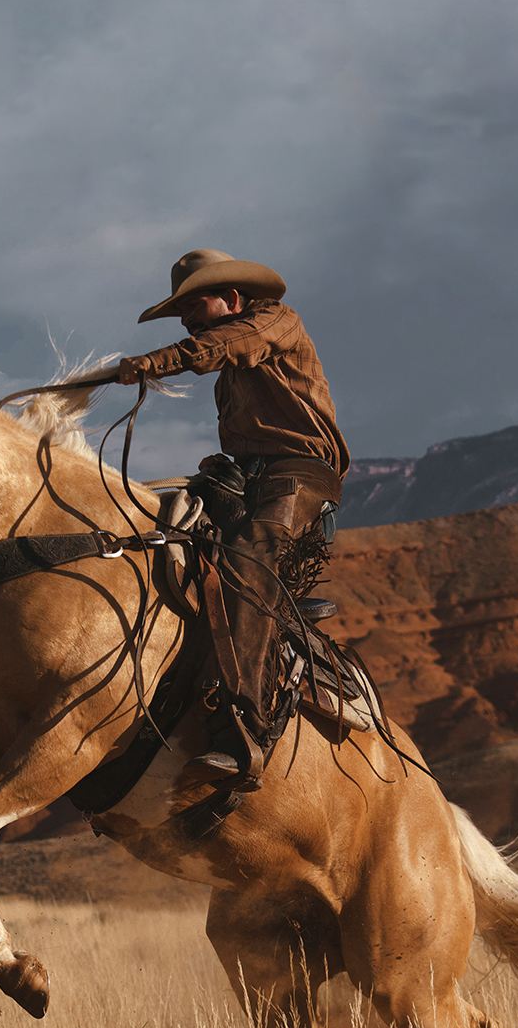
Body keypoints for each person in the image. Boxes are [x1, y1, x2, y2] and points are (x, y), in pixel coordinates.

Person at [116, 250, 351, 786]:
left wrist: (151, 363)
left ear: (234, 298)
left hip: (300, 476)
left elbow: (227, 343)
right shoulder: (230, 369)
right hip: (250, 479)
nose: (190, 321)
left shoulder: (273, 321)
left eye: (195, 305)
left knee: (247, 567)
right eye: (182, 315)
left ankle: (242, 731)